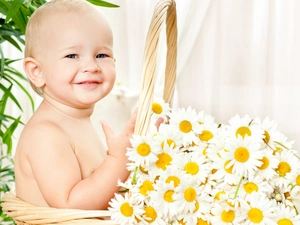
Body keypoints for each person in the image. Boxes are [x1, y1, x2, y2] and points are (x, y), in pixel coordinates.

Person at [14, 0, 138, 210]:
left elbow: (100, 189)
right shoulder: (46, 134)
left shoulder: (74, 119)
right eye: (72, 55)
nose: (91, 66)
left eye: (102, 55)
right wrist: (118, 159)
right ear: (37, 72)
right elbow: (70, 205)